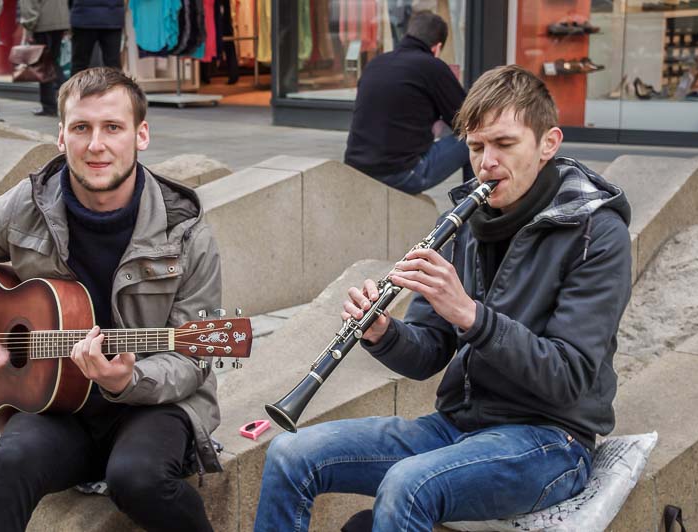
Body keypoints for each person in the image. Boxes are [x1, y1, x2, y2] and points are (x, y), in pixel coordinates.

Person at [255, 64, 633, 531]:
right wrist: (383, 333)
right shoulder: (466, 222)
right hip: (459, 426)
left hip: (551, 441)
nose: (486, 162)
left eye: (504, 144)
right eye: (476, 147)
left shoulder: (597, 232)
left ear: (548, 144)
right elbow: (429, 353)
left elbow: (569, 378)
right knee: (290, 453)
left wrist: (473, 317)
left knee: (407, 484)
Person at [0, 67, 221, 532]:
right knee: (11, 462)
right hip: (56, 406)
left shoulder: (186, 230)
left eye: (112, 127)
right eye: (81, 128)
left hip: (152, 404)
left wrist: (126, 379)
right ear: (61, 136)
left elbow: (194, 355)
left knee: (138, 478)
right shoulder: (29, 203)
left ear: (141, 135)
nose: (96, 145)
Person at [343, 10, 473, 194]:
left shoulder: (376, 63)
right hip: (401, 173)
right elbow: (467, 121)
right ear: (436, 47)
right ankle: (474, 216)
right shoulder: (432, 66)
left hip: (355, 168)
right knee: (475, 139)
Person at [19, 0, 70, 117]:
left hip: (42, 23)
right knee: (51, 63)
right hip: (60, 21)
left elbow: (29, 5)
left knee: (44, 65)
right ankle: (69, 98)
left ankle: (50, 106)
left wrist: (28, 25)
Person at [69, 0, 124, 76]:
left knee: (79, 64)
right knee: (113, 65)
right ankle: (117, 87)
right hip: (112, 16)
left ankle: (76, 88)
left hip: (83, 16)